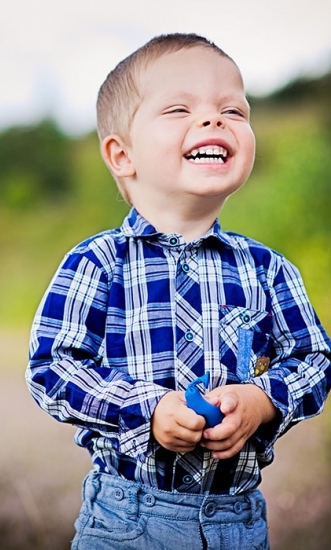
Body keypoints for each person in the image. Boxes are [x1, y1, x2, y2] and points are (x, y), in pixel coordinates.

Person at [26, 33, 331, 549]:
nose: (215, 120)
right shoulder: (98, 262)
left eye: (234, 109)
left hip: (237, 521)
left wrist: (261, 400)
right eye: (179, 108)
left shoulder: (268, 269)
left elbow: (315, 358)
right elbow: (52, 367)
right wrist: (147, 408)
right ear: (122, 155)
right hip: (127, 520)